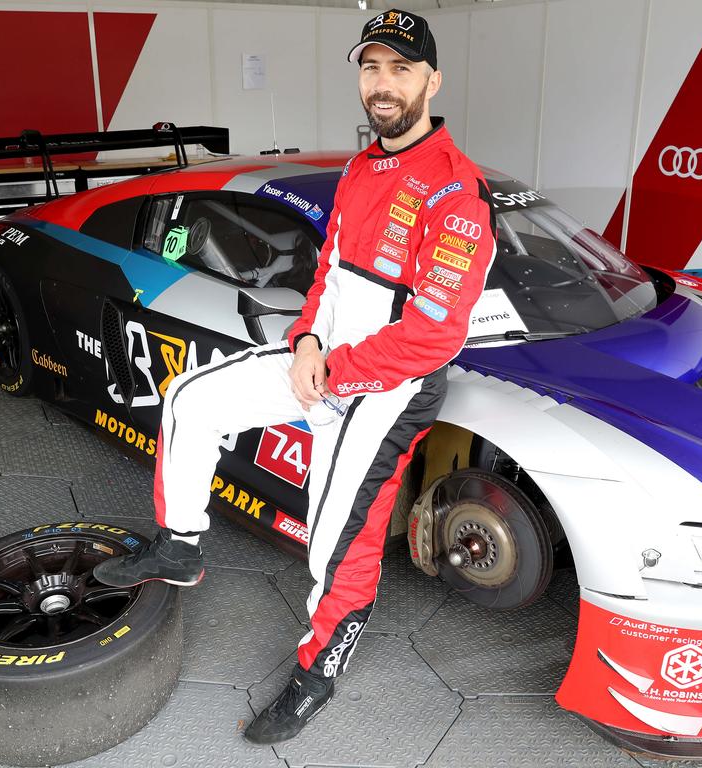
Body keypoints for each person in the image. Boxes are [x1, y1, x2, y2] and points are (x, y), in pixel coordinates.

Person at [94, 8, 497, 744]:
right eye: (371, 67)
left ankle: (320, 671)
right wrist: (308, 338)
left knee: (334, 542)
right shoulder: (357, 169)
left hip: (387, 388)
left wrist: (336, 369)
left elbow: (433, 335)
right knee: (191, 396)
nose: (382, 83)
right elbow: (329, 278)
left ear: (432, 80)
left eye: (400, 69)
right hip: (324, 361)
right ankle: (179, 545)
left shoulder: (456, 193)